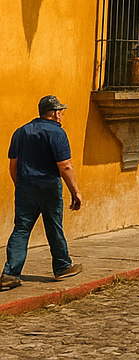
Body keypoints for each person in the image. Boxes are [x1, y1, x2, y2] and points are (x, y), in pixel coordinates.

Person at [2, 95, 83, 291]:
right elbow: (65, 166)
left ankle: (10, 273)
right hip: (48, 186)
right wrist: (75, 192)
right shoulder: (57, 133)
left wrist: (20, 185)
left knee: (21, 228)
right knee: (53, 225)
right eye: (60, 111)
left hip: (25, 185)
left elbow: (13, 165)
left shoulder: (21, 132)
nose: (61, 115)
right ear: (54, 113)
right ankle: (62, 266)